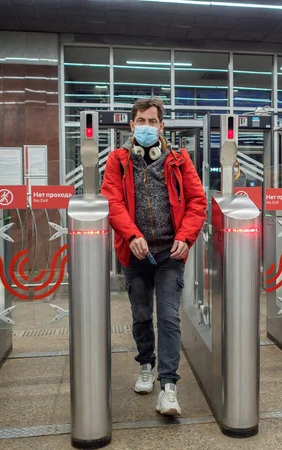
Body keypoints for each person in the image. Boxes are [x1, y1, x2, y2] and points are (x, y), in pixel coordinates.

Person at [101, 97, 207, 416]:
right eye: (141, 121)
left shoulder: (178, 159)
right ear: (131, 125)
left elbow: (197, 202)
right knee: (142, 314)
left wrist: (186, 237)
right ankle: (146, 364)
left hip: (169, 253)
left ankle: (169, 387)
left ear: (162, 127)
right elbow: (112, 202)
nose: (146, 127)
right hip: (135, 254)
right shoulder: (117, 161)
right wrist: (132, 235)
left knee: (169, 316)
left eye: (152, 122)